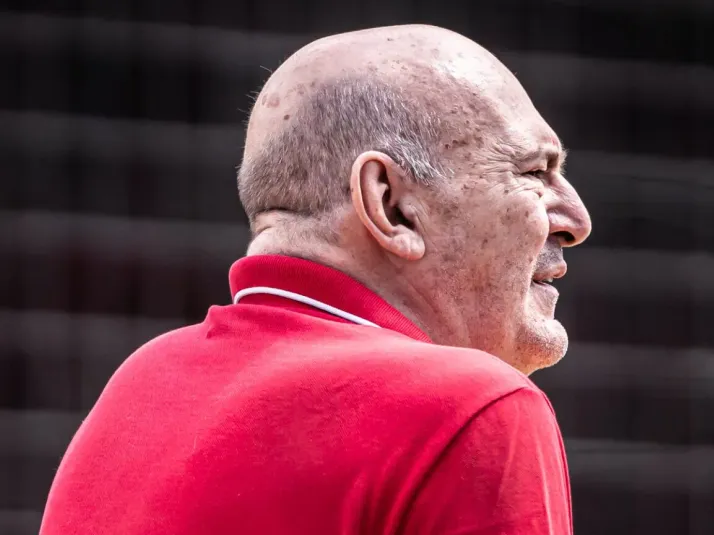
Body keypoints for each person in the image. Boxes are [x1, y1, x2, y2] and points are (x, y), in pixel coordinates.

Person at [41, 24, 591, 535]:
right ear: (391, 206)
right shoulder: (476, 408)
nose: (577, 220)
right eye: (533, 172)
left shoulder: (143, 385)